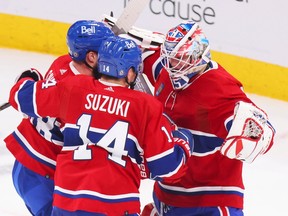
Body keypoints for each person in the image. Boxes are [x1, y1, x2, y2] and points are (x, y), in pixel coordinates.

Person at [8, 36, 194, 215]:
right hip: (115, 205)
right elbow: (167, 168)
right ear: (130, 72)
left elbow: (22, 97)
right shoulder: (145, 105)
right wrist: (184, 140)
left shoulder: (73, 86)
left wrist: (29, 77)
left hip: (66, 201)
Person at [138, 21, 275, 215]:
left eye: (179, 59)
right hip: (165, 197)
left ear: (197, 56)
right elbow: (148, 59)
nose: (172, 66)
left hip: (209, 201)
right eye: (170, 59)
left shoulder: (219, 89)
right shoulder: (168, 71)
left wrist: (254, 133)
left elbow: (261, 131)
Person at [4, 20, 114, 215]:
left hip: (29, 163)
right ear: (91, 57)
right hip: (42, 178)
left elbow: (22, 95)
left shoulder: (63, 62)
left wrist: (28, 77)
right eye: (107, 51)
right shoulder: (82, 93)